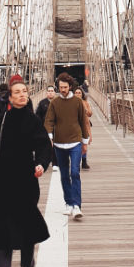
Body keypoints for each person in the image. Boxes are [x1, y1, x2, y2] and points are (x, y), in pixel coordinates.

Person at [0, 78, 52, 267]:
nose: (22, 95)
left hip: (26, 182)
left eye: (25, 91)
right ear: (10, 97)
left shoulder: (32, 120)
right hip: (3, 184)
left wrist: (41, 164)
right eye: (17, 92)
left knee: (26, 228)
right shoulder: (1, 122)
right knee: (3, 235)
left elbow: (44, 147)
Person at [44, 73, 90, 219]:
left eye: (65, 87)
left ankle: (77, 205)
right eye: (60, 87)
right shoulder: (54, 103)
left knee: (74, 173)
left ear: (70, 87)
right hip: (59, 143)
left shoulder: (77, 102)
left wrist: (85, 142)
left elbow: (83, 121)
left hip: (75, 141)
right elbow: (49, 121)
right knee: (64, 175)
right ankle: (68, 203)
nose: (62, 89)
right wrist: (50, 136)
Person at [36, 86, 58, 170]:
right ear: (46, 93)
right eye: (48, 91)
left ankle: (55, 163)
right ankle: (43, 161)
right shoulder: (42, 103)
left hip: (56, 127)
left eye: (52, 91)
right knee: (46, 145)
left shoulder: (58, 102)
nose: (50, 92)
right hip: (45, 128)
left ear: (55, 92)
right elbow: (38, 115)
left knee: (56, 145)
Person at [74, 86, 92, 170]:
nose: (78, 94)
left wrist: (85, 109)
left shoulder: (85, 103)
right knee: (76, 145)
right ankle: (76, 162)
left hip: (84, 126)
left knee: (84, 144)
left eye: (79, 93)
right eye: (76, 93)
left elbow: (90, 114)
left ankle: (84, 161)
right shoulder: (71, 103)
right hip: (74, 127)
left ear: (82, 94)